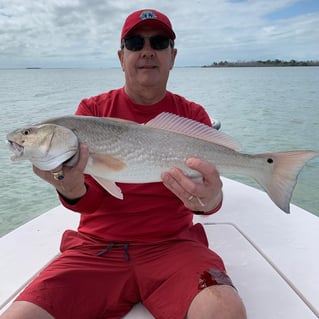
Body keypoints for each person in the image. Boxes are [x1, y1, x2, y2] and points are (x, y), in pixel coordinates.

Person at [1, 9, 246, 319]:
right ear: (121, 56)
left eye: (158, 42)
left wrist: (211, 200)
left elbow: (207, 200)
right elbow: (89, 200)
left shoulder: (192, 115)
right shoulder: (91, 112)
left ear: (172, 56)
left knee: (224, 312)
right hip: (96, 249)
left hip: (174, 247)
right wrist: (70, 188)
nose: (147, 51)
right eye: (134, 43)